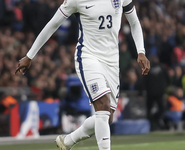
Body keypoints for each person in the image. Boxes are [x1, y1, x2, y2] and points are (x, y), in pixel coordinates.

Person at [15, 0, 150, 149]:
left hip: (112, 61)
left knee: (107, 118)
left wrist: (141, 51)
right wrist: (30, 55)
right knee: (103, 106)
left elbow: (134, 22)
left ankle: (68, 141)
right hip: (88, 57)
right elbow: (53, 24)